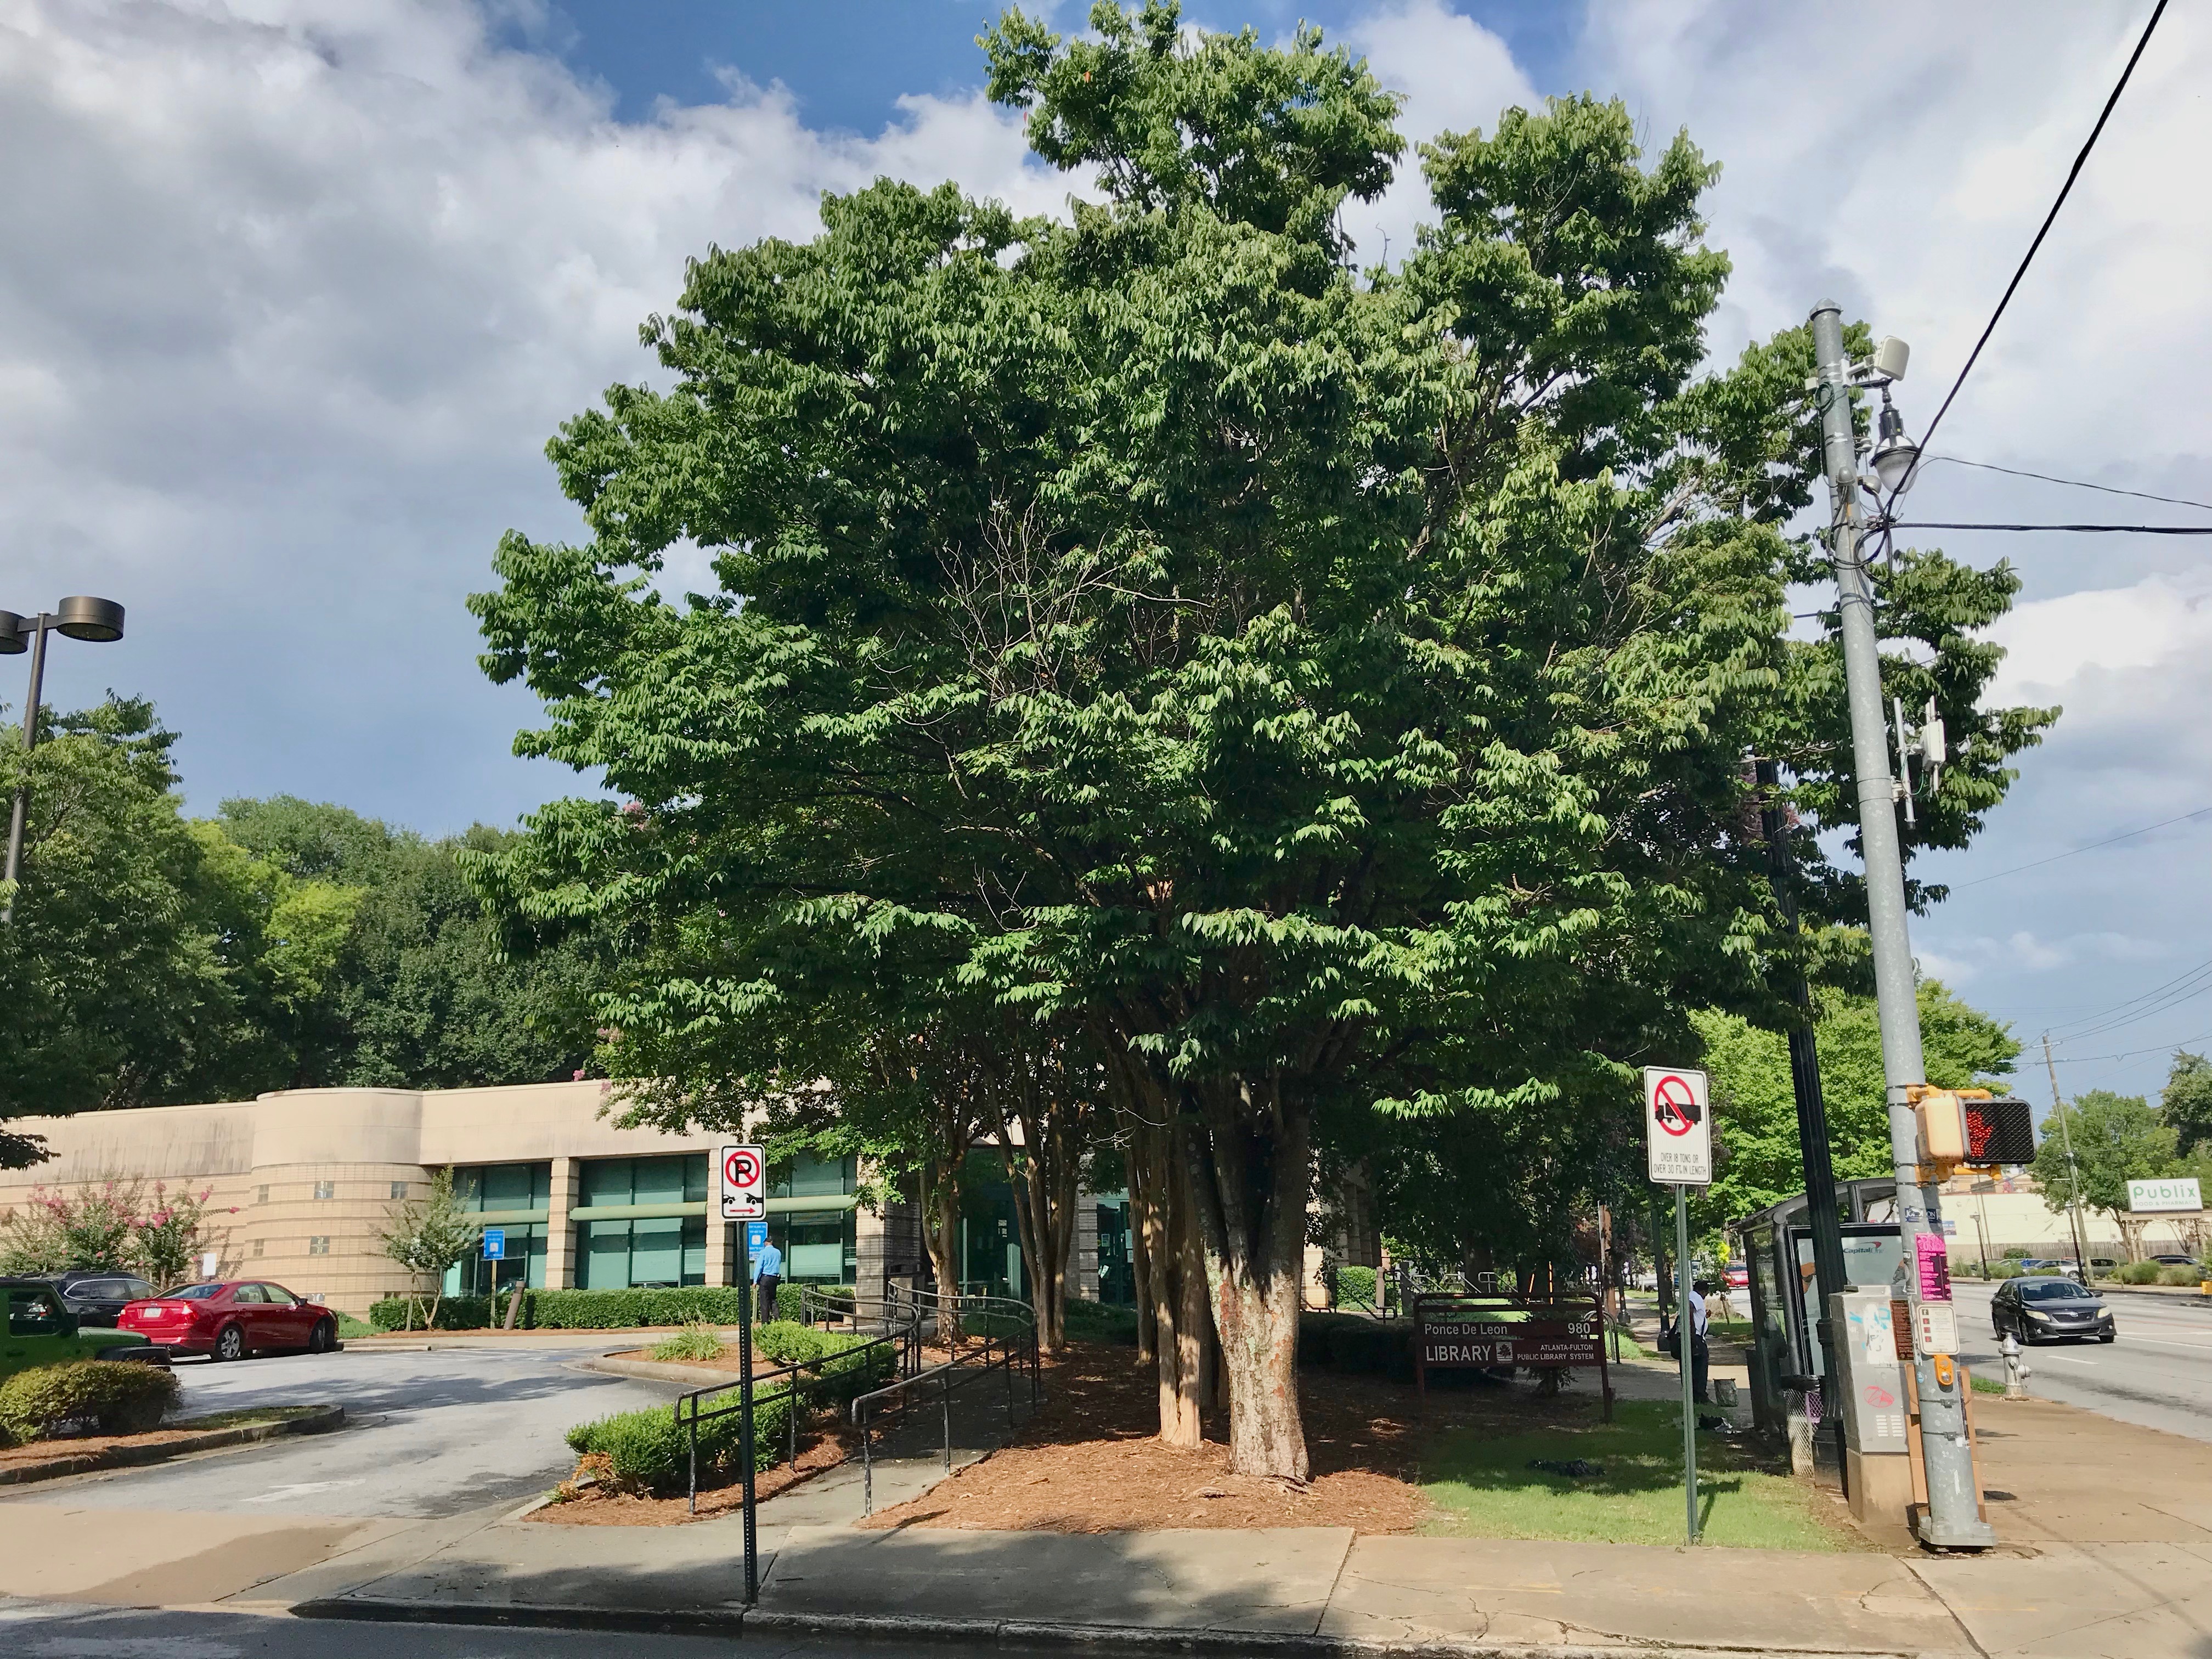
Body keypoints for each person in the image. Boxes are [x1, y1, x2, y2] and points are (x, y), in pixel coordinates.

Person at [1688, 1278, 1712, 1403]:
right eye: (1706, 1293)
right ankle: (1700, 1395)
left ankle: (1697, 1394)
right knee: (1701, 1366)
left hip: (1696, 1336)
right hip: (1696, 1337)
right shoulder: (1695, 1297)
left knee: (1696, 1366)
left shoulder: (1693, 1295)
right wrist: (1692, 1333)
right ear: (1703, 1291)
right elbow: (1690, 1308)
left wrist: (1704, 1317)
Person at [752, 1233, 784, 1324]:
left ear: (766, 1243)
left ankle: (765, 1322)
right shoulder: (778, 1252)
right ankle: (777, 1319)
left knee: (764, 1301)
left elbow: (759, 1267)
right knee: (773, 1299)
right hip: (775, 1278)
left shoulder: (763, 1252)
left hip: (765, 1278)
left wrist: (755, 1281)